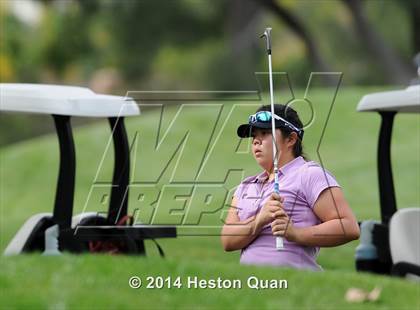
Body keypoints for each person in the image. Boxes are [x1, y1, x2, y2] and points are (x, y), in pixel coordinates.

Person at [220, 104, 360, 271]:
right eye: (254, 136)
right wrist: (260, 220)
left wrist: (295, 234)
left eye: (265, 133)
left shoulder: (310, 174)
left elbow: (348, 227)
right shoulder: (245, 187)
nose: (256, 140)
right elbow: (228, 241)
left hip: (295, 285)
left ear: (291, 139)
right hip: (251, 287)